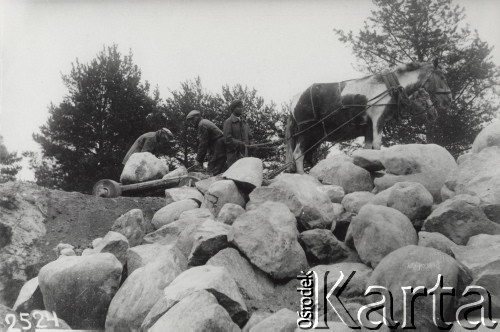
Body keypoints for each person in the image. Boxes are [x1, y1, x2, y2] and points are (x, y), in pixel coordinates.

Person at [186, 110, 226, 175]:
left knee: (211, 171)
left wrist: (198, 160)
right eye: (190, 120)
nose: (191, 122)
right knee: (217, 170)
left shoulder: (201, 124)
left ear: (197, 117)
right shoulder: (204, 122)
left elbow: (203, 144)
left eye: (192, 119)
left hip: (218, 146)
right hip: (219, 145)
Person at [223, 99, 250, 167]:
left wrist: (252, 144)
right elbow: (227, 139)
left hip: (244, 156)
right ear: (233, 109)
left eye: (242, 107)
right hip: (233, 157)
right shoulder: (228, 122)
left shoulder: (244, 123)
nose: (241, 108)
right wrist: (240, 143)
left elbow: (250, 136)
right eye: (239, 107)